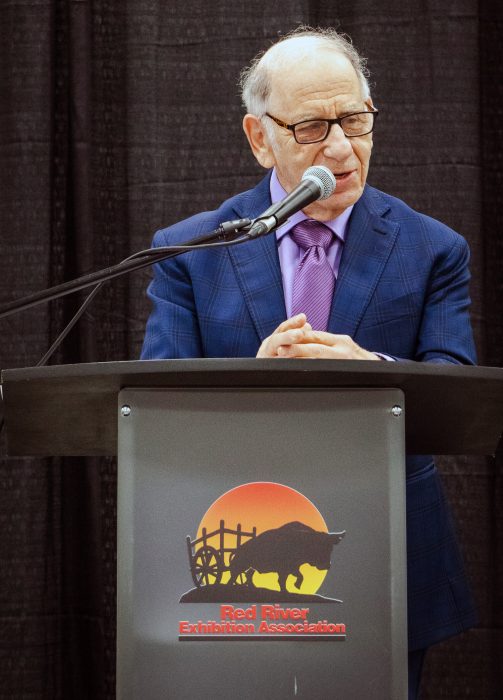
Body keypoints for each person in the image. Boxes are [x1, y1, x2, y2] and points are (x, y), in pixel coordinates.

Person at [141, 27, 477, 698]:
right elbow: (151, 409)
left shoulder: (431, 249)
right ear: (259, 136)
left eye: (354, 119)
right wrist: (249, 381)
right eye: (312, 127)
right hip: (233, 540)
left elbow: (459, 398)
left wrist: (372, 366)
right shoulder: (191, 250)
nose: (342, 147)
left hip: (384, 550)